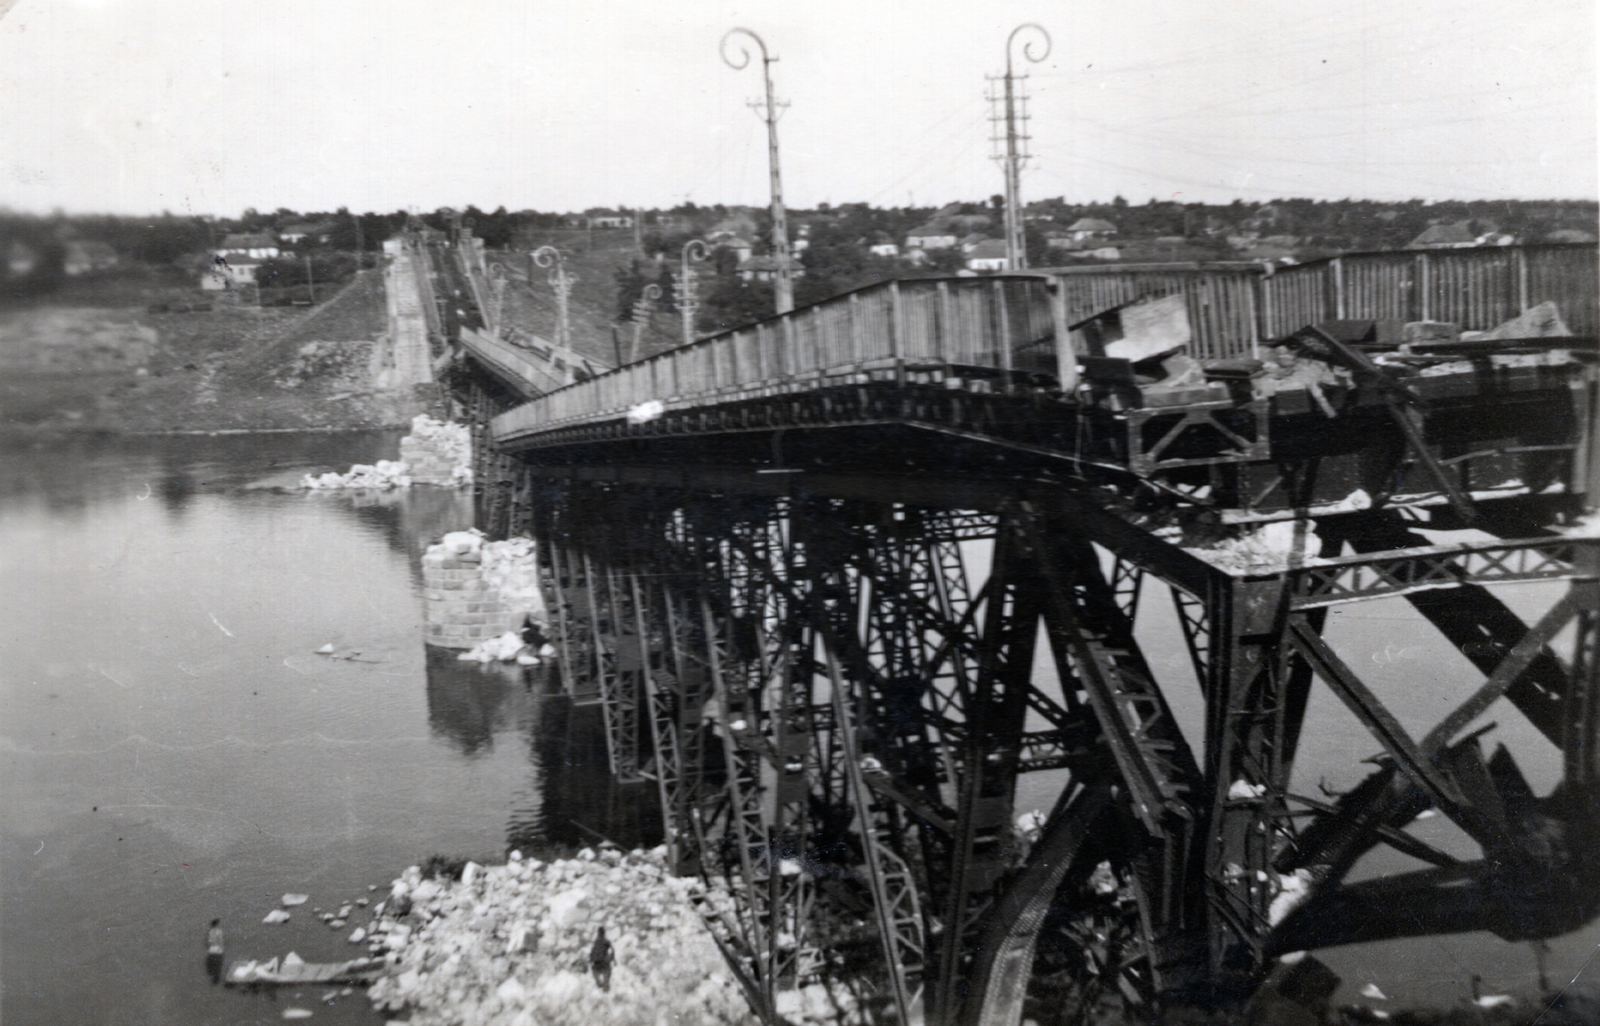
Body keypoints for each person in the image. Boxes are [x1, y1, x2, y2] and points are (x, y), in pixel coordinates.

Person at [589, 926, 613, 992]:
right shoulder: (606, 941)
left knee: (595, 973)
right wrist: (612, 958)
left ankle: (599, 984)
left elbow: (592, 952)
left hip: (597, 964)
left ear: (598, 933)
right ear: (604, 933)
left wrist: (591, 959)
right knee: (607, 973)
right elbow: (612, 951)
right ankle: (605, 987)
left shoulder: (596, 942)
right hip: (604, 964)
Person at [205, 919, 225, 984]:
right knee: (218, 965)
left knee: (213, 965)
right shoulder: (219, 932)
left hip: (211, 951)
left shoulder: (210, 932)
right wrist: (222, 950)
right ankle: (216, 977)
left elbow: (208, 942)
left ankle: (213, 977)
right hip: (218, 951)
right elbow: (220, 941)